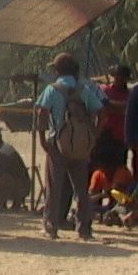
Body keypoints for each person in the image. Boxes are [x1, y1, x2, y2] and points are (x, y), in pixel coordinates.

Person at [35, 53, 103, 240]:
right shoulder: (84, 89)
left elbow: (42, 114)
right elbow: (100, 111)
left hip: (57, 143)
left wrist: (42, 139)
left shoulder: (52, 89)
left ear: (57, 70)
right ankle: (84, 229)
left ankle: (51, 226)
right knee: (81, 190)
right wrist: (93, 136)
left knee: (54, 188)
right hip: (81, 146)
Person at [0, 125, 31, 213]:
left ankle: (6, 204)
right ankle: (4, 204)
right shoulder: (0, 150)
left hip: (21, 187)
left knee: (0, 178)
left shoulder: (4, 152)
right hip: (21, 184)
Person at [93, 65, 131, 169]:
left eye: (122, 77)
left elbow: (127, 108)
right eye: (116, 76)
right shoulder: (104, 90)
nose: (118, 79)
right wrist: (117, 108)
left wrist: (109, 103)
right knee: (100, 167)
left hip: (120, 136)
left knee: (118, 167)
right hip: (103, 134)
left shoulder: (129, 94)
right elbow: (100, 108)